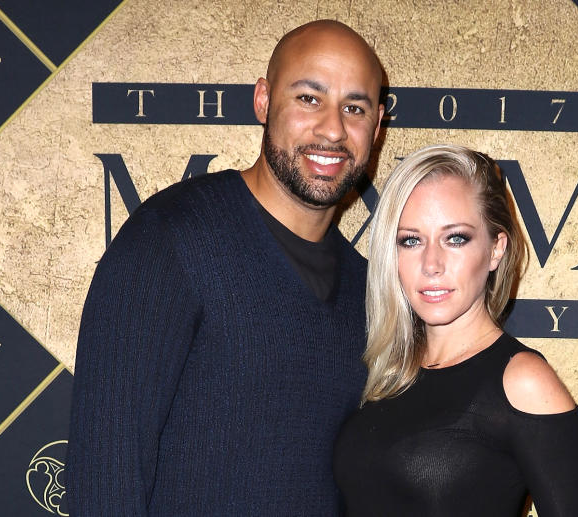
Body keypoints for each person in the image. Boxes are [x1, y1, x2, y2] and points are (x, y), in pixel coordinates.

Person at [67, 20, 384, 516]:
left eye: (355, 107)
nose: (333, 128)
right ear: (263, 100)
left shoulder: (367, 290)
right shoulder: (171, 239)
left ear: (377, 125)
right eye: (308, 98)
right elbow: (105, 478)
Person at [333, 145, 578, 516]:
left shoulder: (523, 381)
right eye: (411, 240)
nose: (431, 264)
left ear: (495, 249)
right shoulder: (384, 370)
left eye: (455, 238)